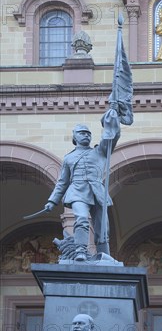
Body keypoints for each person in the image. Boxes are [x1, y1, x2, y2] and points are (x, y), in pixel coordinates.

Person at [44, 110, 120, 261]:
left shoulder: (100, 151)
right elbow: (63, 182)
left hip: (97, 192)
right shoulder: (69, 158)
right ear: (75, 137)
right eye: (82, 133)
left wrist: (111, 120)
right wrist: (52, 201)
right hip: (77, 192)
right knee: (82, 219)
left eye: (88, 133)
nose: (86, 135)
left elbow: (110, 137)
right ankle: (80, 251)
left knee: (102, 228)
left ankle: (104, 255)